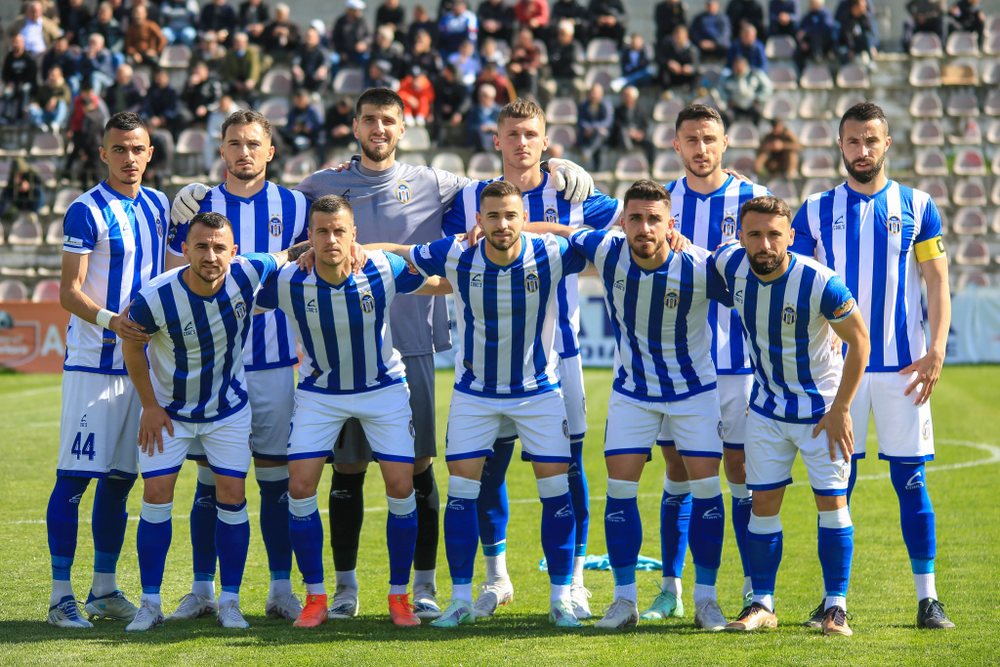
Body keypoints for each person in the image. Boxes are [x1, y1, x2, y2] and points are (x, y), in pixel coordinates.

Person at [169, 87, 595, 620]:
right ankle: (340, 589)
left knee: (417, 468)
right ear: (354, 125)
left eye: (388, 121)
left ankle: (420, 586)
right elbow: (244, 234)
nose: (379, 129)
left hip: (408, 348)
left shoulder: (437, 183)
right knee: (344, 471)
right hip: (331, 353)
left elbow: (508, 185)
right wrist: (192, 195)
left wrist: (558, 164)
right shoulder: (316, 188)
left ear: (402, 128)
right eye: (369, 119)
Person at [441, 98, 622, 621]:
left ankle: (575, 582)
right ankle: (496, 578)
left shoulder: (573, 190)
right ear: (496, 140)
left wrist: (576, 177)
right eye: (512, 134)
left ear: (546, 141)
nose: (522, 142)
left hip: (559, 354)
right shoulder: (471, 196)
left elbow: (637, 223)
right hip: (489, 356)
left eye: (531, 134)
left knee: (568, 470)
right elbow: (450, 242)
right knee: (487, 472)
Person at [539, 179, 733, 632]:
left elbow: (758, 289)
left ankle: (706, 599)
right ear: (622, 221)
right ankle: (624, 600)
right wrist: (487, 231)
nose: (644, 227)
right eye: (636, 218)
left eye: (654, 219)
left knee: (706, 492)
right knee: (620, 492)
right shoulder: (607, 249)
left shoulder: (700, 266)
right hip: (633, 394)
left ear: (671, 225)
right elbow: (558, 231)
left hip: (694, 393)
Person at [790, 102, 956, 630]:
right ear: (840, 146)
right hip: (839, 373)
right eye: (853, 142)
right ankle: (834, 599)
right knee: (839, 484)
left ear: (887, 145)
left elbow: (936, 280)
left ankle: (928, 599)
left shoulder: (918, 204)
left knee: (911, 482)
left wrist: (937, 347)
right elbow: (793, 278)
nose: (863, 151)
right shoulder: (814, 209)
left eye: (871, 141)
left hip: (904, 369)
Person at [395, 180, 587, 628]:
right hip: (474, 395)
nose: (502, 225)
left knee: (555, 494)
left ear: (523, 218)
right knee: (463, 495)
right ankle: (461, 599)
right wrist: (349, 245)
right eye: (493, 216)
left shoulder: (549, 252)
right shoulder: (457, 253)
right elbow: (399, 254)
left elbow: (603, 243)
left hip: (538, 392)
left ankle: (561, 598)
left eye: (510, 215)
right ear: (477, 222)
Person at [257, 195, 450, 628]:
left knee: (402, 485)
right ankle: (316, 597)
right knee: (300, 485)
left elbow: (441, 280)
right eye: (321, 231)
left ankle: (399, 597)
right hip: (319, 393)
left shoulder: (381, 269)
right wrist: (288, 254)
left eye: (339, 230)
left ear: (353, 235)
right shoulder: (289, 280)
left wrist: (482, 277)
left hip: (382, 389)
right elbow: (234, 281)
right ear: (309, 236)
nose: (331, 239)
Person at [121, 211, 307, 631]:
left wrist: (328, 248)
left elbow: (287, 254)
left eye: (219, 247)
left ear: (234, 252)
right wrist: (149, 405)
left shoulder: (247, 273)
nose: (211, 255)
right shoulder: (156, 295)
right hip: (170, 413)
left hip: (227, 412)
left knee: (232, 495)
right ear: (184, 250)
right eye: (201, 246)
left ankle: (230, 601)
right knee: (156, 494)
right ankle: (150, 603)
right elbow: (131, 345)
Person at [162, 110, 310, 624]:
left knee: (275, 480)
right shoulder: (198, 206)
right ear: (220, 151)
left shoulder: (295, 205)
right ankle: (203, 589)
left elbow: (304, 271)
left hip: (272, 363)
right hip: (211, 366)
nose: (244, 152)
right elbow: (170, 274)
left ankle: (279, 588)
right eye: (234, 143)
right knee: (209, 481)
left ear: (271, 151)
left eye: (254, 143)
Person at [716, 195, 870, 636]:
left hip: (820, 414)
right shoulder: (731, 264)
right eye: (755, 234)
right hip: (765, 411)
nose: (764, 244)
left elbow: (860, 343)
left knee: (833, 506)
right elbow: (696, 254)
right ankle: (762, 603)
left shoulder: (821, 283)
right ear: (740, 236)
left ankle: (836, 608)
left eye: (774, 235)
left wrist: (841, 408)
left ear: (790, 237)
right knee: (762, 506)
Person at [641, 104, 770, 623]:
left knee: (738, 471)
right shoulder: (658, 204)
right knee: (678, 471)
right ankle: (671, 587)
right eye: (690, 140)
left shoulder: (749, 199)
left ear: (724, 144)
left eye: (709, 139)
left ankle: (747, 586)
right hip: (680, 367)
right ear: (676, 145)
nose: (700, 149)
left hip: (739, 363)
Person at [45, 111, 170, 629]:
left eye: (137, 149)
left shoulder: (159, 205)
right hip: (93, 366)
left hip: (140, 369)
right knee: (75, 479)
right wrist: (110, 320)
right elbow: (67, 290)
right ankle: (59, 597)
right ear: (103, 153)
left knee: (121, 481)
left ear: (150, 153)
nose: (129, 158)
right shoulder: (84, 210)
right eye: (119, 149)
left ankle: (102, 588)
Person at [719, 55, 771, 126]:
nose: (738, 68)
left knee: (760, 114)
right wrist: (728, 100)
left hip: (752, 104)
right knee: (726, 116)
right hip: (735, 106)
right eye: (736, 66)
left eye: (740, 66)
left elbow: (767, 87)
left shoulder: (755, 75)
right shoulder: (729, 78)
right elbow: (720, 90)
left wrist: (758, 99)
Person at [612, 86, 654, 165]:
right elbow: (617, 124)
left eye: (628, 96)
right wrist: (629, 131)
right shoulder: (618, 110)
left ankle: (651, 166)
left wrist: (641, 133)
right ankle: (629, 156)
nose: (625, 98)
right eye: (624, 96)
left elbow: (646, 124)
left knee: (650, 144)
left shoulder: (640, 110)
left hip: (637, 136)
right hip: (623, 136)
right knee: (623, 132)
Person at [576, 83, 613, 171]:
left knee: (600, 133)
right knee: (597, 137)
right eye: (592, 92)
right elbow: (581, 120)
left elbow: (607, 121)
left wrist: (593, 128)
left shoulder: (606, 105)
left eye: (595, 93)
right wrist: (587, 128)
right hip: (586, 134)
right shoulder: (583, 105)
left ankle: (588, 151)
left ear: (601, 94)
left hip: (602, 134)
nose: (593, 95)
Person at [658, 24, 700, 91]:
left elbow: (696, 65)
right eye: (677, 35)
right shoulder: (668, 46)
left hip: (686, 75)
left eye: (681, 35)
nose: (679, 37)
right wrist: (669, 63)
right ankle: (665, 93)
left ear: (686, 36)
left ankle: (693, 93)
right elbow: (660, 59)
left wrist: (690, 68)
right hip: (673, 74)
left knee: (696, 74)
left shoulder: (692, 49)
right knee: (663, 72)